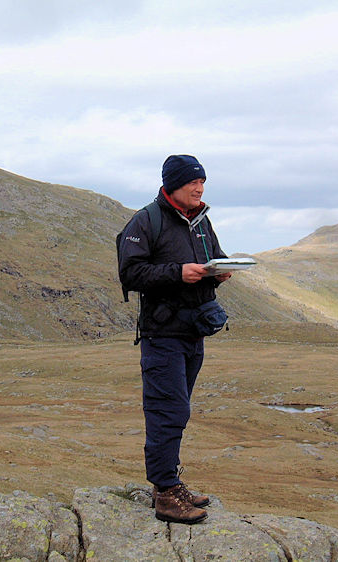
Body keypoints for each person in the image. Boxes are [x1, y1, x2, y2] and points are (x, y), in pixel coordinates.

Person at [118, 154, 232, 524]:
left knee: (177, 411)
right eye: (192, 183)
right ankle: (166, 493)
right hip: (162, 334)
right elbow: (131, 273)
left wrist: (221, 269)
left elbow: (213, 256)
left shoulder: (200, 220)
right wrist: (177, 273)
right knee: (168, 411)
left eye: (202, 183)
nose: (199, 189)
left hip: (193, 331)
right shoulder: (146, 221)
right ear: (172, 185)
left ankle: (169, 482)